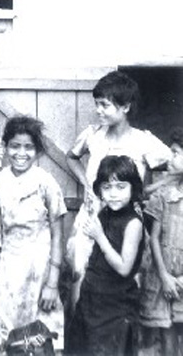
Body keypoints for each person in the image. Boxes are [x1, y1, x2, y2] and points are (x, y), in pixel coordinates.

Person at [66, 70, 170, 300]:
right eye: (97, 104)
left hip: (125, 223)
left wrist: (145, 192)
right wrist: (86, 183)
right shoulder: (92, 135)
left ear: (126, 107)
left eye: (105, 105)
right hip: (92, 218)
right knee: (80, 275)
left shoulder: (143, 141)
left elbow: (174, 166)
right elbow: (71, 157)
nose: (98, 110)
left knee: (124, 280)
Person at [0, 115, 66, 351]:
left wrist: (52, 283)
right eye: (14, 146)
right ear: (6, 147)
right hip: (9, 268)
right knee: (8, 329)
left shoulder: (45, 182)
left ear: (38, 151)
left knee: (43, 333)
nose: (20, 153)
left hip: (40, 267)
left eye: (28, 147)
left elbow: (57, 234)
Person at [66, 155, 145, 356]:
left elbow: (124, 267)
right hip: (93, 299)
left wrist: (100, 237)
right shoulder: (105, 214)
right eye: (107, 188)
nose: (113, 194)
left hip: (116, 306)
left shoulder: (133, 223)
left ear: (133, 188)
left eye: (120, 187)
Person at [140, 127, 183, 355]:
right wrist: (165, 276)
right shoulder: (164, 196)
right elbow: (154, 238)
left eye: (176, 153)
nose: (171, 157)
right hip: (163, 276)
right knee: (166, 333)